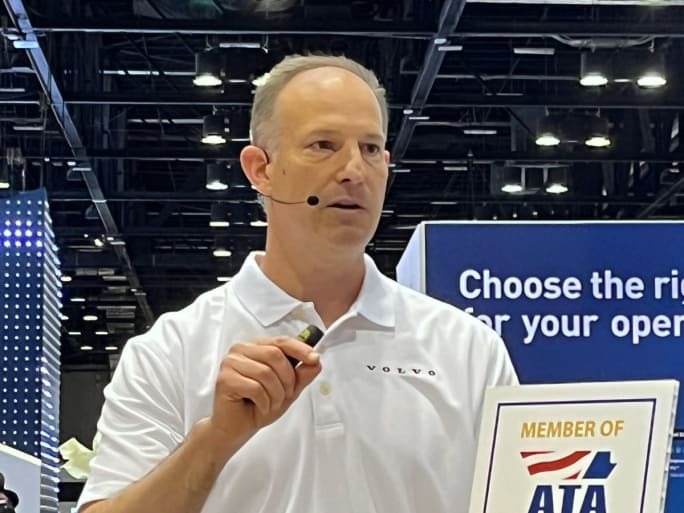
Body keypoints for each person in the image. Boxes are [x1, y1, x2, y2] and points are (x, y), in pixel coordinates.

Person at [77, 54, 518, 513]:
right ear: (260, 169)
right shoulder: (172, 352)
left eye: (371, 149)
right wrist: (216, 440)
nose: (354, 170)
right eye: (323, 145)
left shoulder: (469, 351)